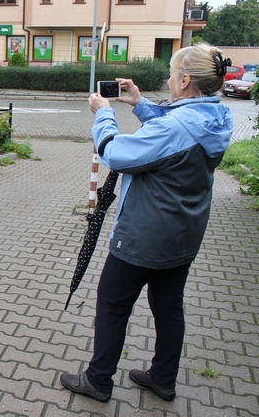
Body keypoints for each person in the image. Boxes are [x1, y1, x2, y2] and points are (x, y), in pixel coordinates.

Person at [60, 43, 233, 403]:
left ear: (185, 80)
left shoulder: (178, 128)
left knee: (112, 304)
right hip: (184, 235)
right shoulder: (218, 119)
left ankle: (98, 381)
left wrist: (104, 114)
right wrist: (139, 103)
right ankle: (163, 379)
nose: (169, 80)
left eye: (172, 74)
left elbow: (116, 153)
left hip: (143, 236)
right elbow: (175, 136)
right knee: (169, 308)